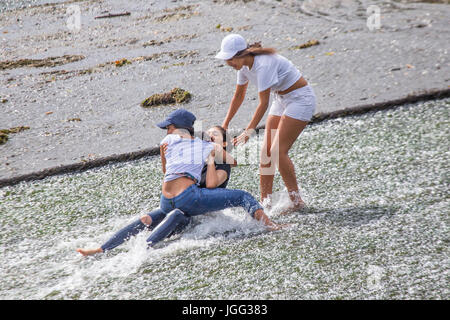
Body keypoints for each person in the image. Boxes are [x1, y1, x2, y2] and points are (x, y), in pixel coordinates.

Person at [77, 109, 281, 256]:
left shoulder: (166, 143)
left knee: (149, 218)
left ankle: (101, 249)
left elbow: (166, 171)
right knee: (243, 196)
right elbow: (234, 161)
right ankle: (270, 226)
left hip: (166, 198)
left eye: (169, 127)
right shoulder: (205, 146)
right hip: (188, 198)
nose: (167, 131)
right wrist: (213, 147)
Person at [215, 34, 317, 213]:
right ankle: (265, 205)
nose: (228, 63)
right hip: (282, 98)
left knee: (278, 152)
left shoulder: (263, 65)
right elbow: (238, 96)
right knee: (266, 153)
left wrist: (249, 131)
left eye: (230, 59)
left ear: (241, 54)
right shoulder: (243, 67)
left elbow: (263, 104)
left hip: (300, 99)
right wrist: (225, 124)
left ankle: (296, 200)